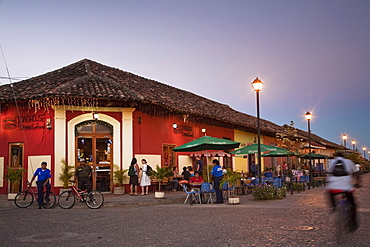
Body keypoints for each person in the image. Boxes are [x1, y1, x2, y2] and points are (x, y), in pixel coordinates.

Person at [326, 152, 360, 232]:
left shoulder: (331, 162)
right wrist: (357, 183)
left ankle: (334, 206)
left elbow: (328, 173)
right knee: (353, 204)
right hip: (346, 186)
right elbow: (355, 173)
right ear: (343, 156)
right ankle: (353, 224)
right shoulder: (348, 161)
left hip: (333, 187)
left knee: (330, 192)